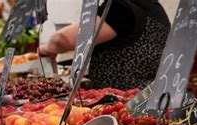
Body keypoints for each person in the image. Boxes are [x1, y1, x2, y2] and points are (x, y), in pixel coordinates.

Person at [39, 0, 171, 90]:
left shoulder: (120, 8)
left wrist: (45, 48)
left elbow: (61, 40)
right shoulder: (157, 11)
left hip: (117, 103)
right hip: (144, 97)